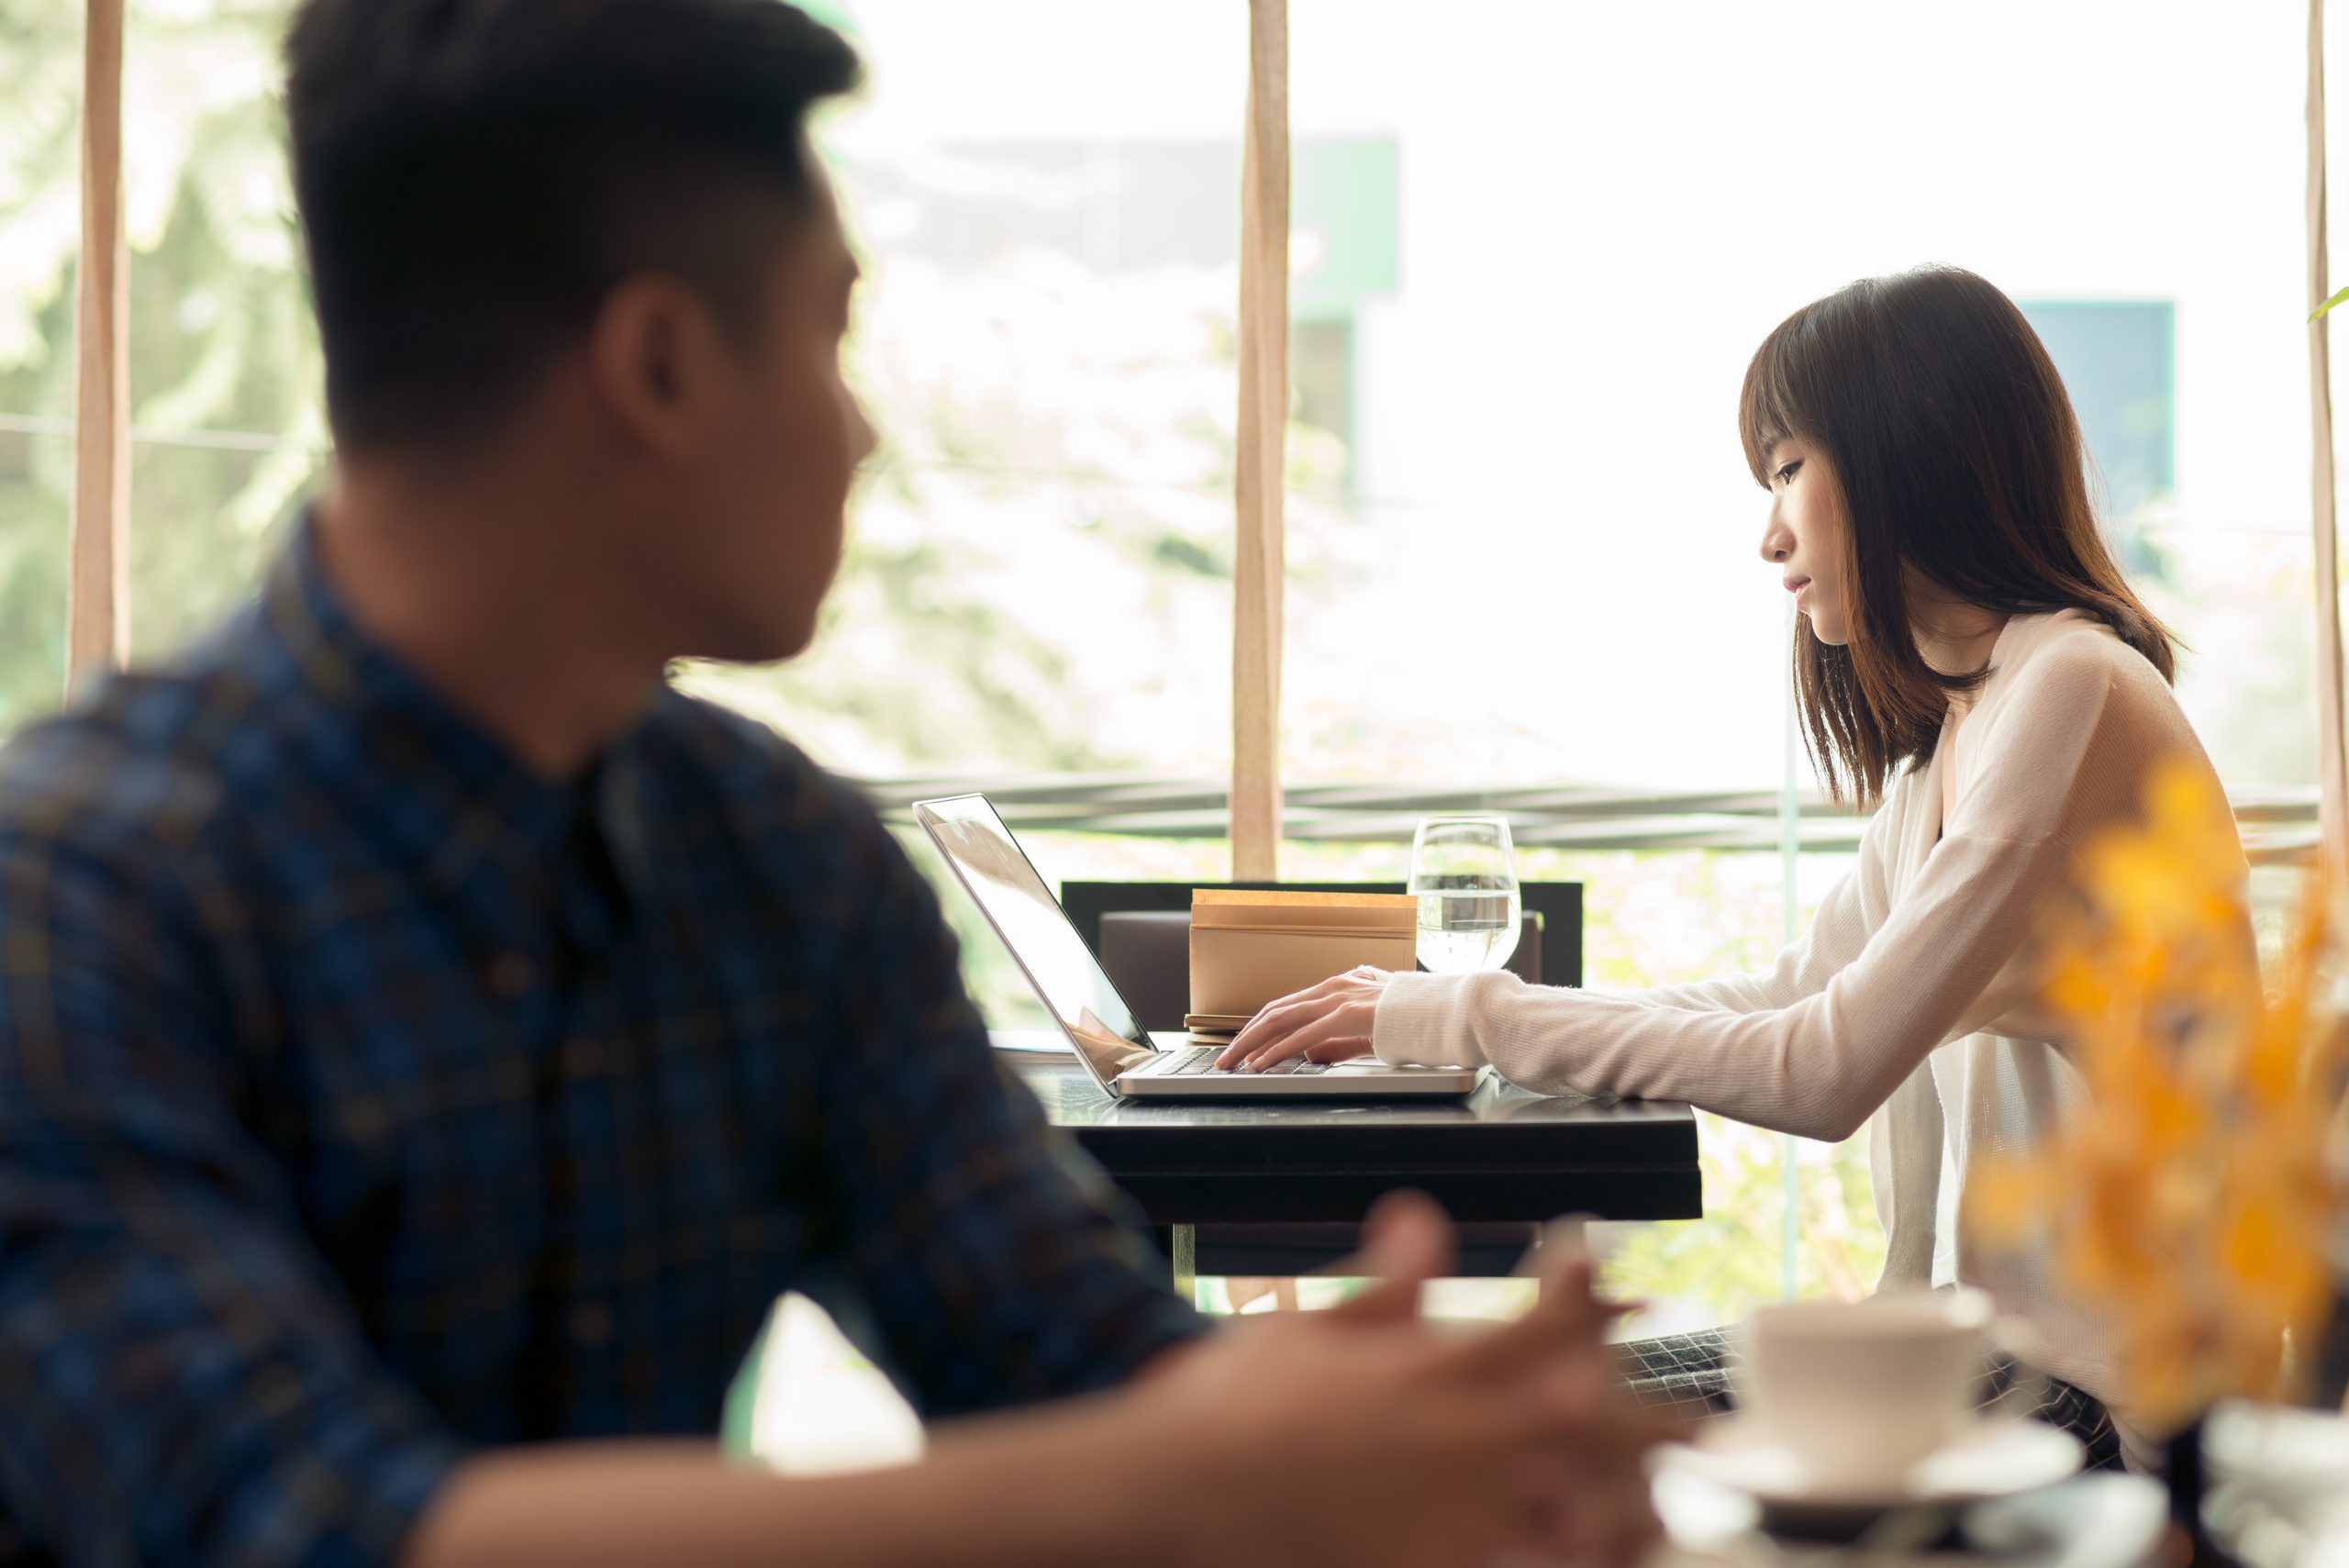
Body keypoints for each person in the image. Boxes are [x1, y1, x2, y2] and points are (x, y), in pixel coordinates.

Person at [0, 1, 1664, 1563]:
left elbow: (1078, 1366)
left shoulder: (780, 863)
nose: (861, 431)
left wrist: (1410, 1425)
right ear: (657, 366)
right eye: (830, 333)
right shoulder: (75, 891)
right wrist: (1194, 1465)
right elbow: (298, 1527)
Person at [1220, 264, 2249, 1473]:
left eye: (1786, 468)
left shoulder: (2075, 689)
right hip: (1975, 1358)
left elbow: (1823, 1069)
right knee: (1481, 1395)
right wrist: (1445, 1022)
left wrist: (1464, 1009)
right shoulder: (1955, 744)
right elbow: (1784, 998)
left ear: (1904, 449)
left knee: (1488, 1426)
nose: (1769, 536)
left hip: (2114, 1404)